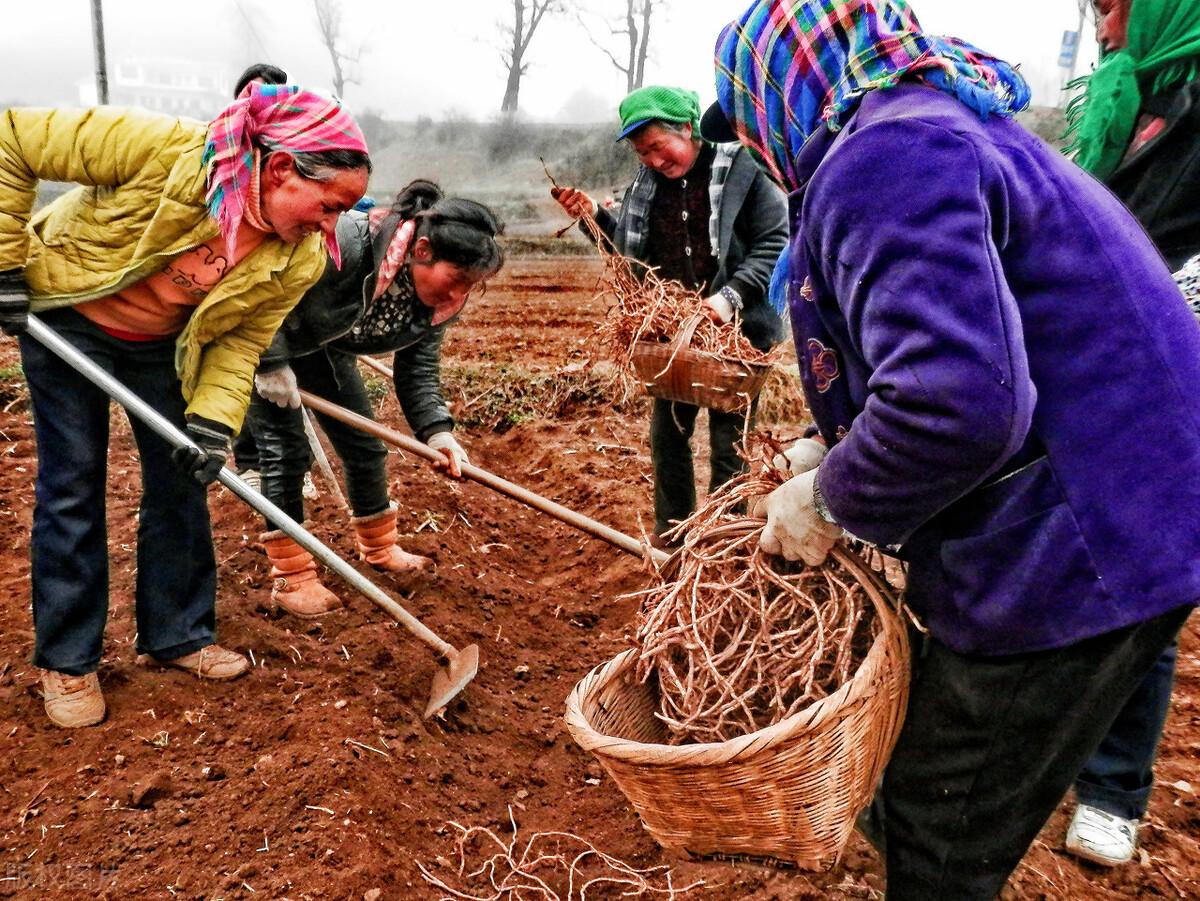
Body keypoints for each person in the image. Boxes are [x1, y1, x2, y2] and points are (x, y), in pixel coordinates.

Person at [705, 0, 1200, 897]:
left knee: (944, 826)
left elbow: (957, 399)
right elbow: (978, 341)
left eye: (746, 123)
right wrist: (833, 440)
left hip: (1080, 539)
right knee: (920, 784)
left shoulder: (886, 154)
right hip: (1129, 498)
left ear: (783, 89)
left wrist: (831, 499)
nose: (756, 148)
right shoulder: (941, 123)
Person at [0, 84, 371, 728]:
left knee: (181, 478)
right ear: (282, 168)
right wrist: (3, 264)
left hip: (164, 347)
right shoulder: (164, 150)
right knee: (72, 486)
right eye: (328, 205)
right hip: (67, 324)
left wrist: (213, 423)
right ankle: (68, 663)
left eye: (343, 212)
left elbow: (241, 340)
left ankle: (178, 635)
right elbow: (12, 139)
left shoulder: (299, 257)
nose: (329, 225)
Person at [1059, 0, 1200, 864]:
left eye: (1113, 7)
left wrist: (1157, 315)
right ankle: (1060, 750)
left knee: (1148, 579)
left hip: (1174, 384)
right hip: (1088, 370)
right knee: (1067, 561)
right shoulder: (1120, 102)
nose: (1105, 29)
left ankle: (1113, 790)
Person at [246, 179, 502, 617]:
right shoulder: (347, 246)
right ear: (422, 250)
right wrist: (268, 362)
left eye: (471, 286)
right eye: (457, 278)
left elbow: (417, 369)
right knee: (286, 455)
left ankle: (380, 549)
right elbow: (260, 284)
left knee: (365, 450)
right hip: (264, 338)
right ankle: (292, 578)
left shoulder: (437, 304)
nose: (459, 294)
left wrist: (437, 433)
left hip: (327, 350)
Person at [551, 85, 787, 548]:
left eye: (659, 147)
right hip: (674, 334)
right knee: (668, 436)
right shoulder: (645, 188)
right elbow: (632, 254)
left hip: (736, 333)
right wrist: (593, 215)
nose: (654, 161)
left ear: (687, 128)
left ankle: (724, 541)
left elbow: (775, 242)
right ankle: (673, 536)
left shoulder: (744, 168)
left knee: (729, 443)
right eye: (643, 153)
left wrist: (728, 298)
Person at [226, 63, 290, 490]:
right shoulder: (228, 144)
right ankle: (249, 462)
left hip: (274, 269)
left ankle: (280, 465)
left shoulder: (290, 145)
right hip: (231, 268)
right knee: (244, 367)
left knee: (273, 368)